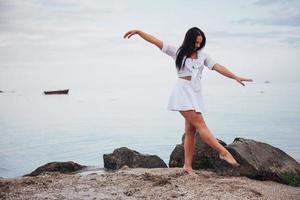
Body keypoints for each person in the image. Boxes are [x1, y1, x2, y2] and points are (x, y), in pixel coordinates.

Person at [123, 27, 253, 175]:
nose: (197, 45)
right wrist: (140, 33)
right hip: (182, 93)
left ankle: (187, 166)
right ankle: (222, 152)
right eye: (196, 42)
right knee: (201, 124)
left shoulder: (202, 56)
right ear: (189, 39)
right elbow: (156, 41)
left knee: (190, 131)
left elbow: (217, 67)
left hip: (195, 94)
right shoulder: (177, 51)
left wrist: (235, 76)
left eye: (200, 43)